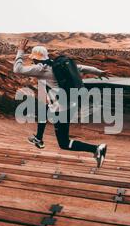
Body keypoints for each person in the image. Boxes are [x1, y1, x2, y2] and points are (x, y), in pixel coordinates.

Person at [14, 39, 109, 168]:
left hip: (61, 110)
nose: (32, 61)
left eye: (33, 59)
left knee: (64, 143)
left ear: (36, 59)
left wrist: (20, 51)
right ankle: (39, 138)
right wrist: (98, 72)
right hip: (68, 104)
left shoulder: (41, 69)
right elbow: (80, 67)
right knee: (44, 110)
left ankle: (97, 149)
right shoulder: (57, 64)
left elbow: (17, 69)